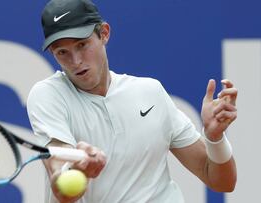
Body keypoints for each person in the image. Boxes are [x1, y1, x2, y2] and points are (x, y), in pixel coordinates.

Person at [27, 0, 238, 202]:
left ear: (104, 33)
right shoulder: (48, 95)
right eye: (62, 52)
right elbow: (62, 188)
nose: (76, 61)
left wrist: (214, 138)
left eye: (82, 45)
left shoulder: (150, 92)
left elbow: (222, 182)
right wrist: (75, 170)